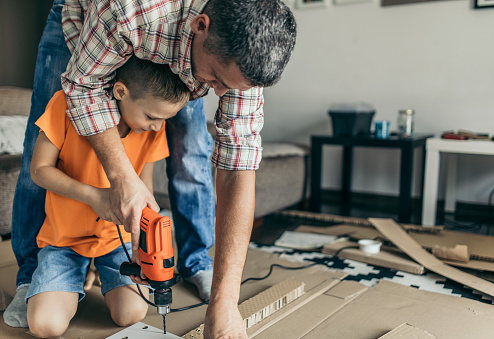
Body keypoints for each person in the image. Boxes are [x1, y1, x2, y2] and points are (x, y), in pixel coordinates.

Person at [6, 0, 297, 337]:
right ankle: (30, 274)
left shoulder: (244, 46)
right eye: (216, 77)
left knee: (192, 147)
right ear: (201, 26)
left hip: (172, 38)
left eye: (229, 86)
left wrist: (226, 301)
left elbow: (238, 161)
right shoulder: (127, 10)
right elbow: (83, 89)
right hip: (90, 16)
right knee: (36, 138)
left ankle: (197, 262)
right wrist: (121, 180)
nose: (216, 92)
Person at [26, 56, 190, 339]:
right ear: (120, 92)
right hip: (64, 241)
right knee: (45, 326)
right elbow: (40, 171)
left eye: (163, 120)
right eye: (151, 117)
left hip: (116, 243)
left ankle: (98, 270)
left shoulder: (153, 128)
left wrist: (143, 249)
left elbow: (144, 191)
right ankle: (76, 274)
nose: (155, 127)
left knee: (131, 314)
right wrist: (93, 197)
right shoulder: (65, 104)